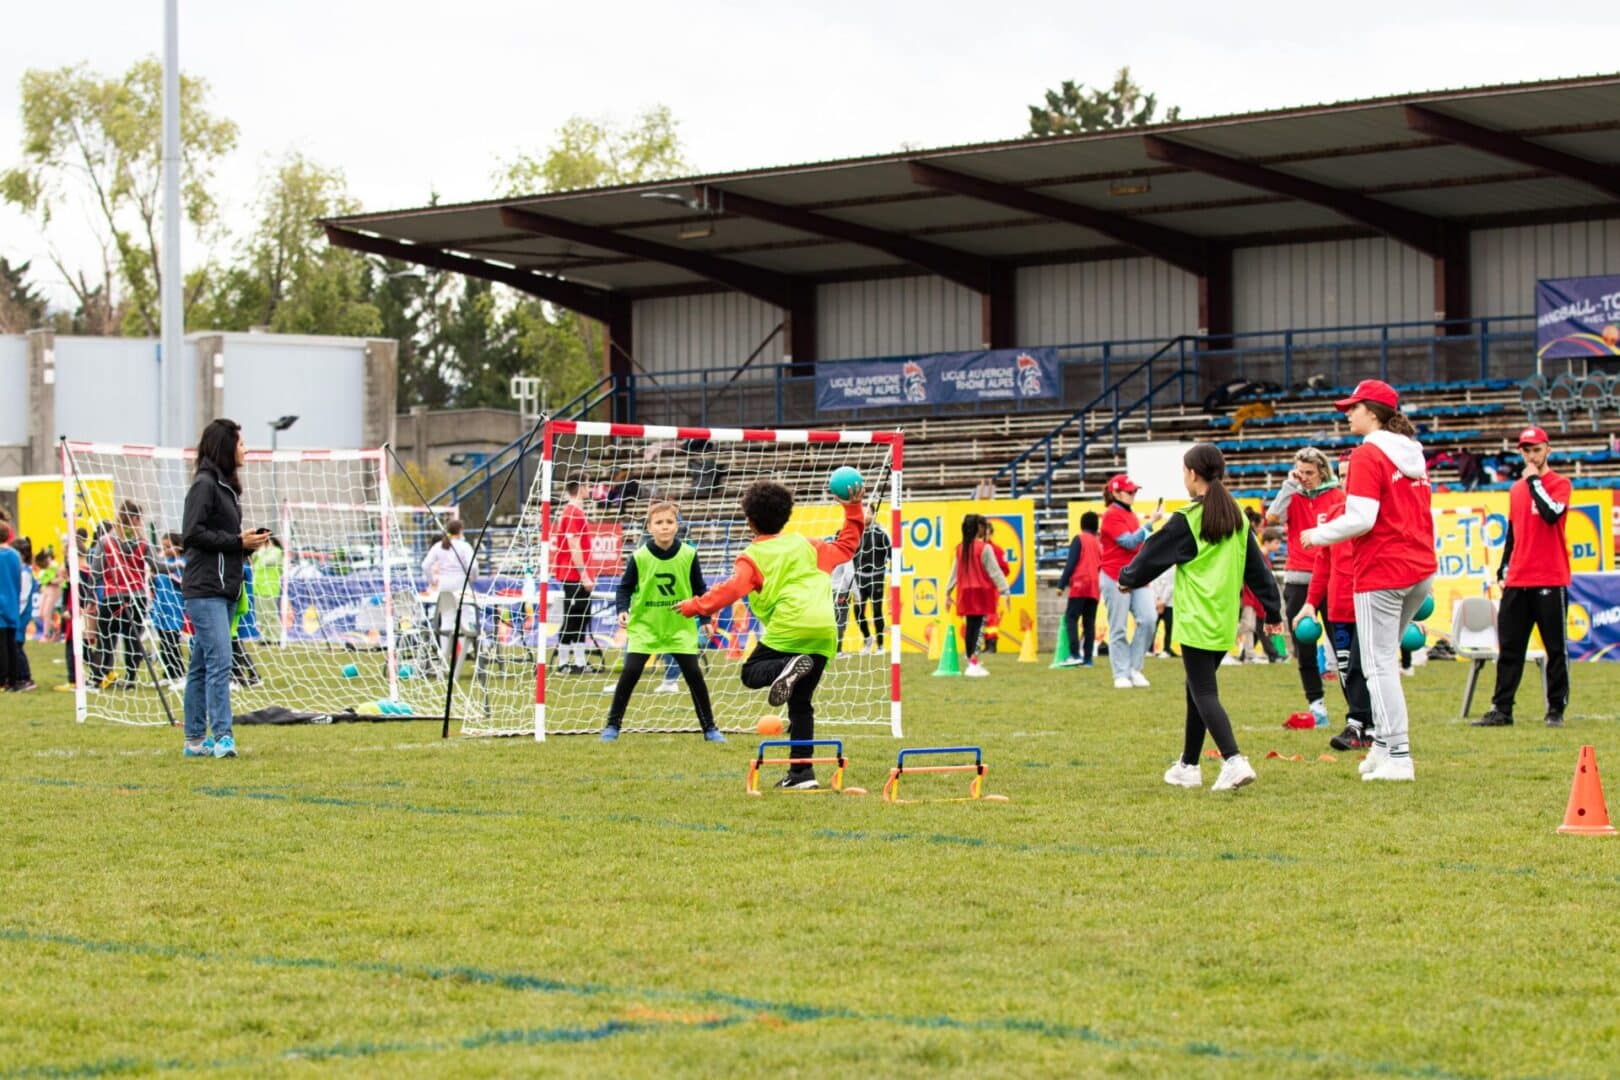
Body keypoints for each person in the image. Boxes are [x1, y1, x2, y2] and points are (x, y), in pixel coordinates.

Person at [677, 479, 863, 789]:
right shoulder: (810, 545)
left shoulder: (752, 556)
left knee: (750, 672)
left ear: (749, 521)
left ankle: (785, 667)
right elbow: (846, 547)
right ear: (787, 516)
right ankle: (802, 774)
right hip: (823, 629)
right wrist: (853, 508)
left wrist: (695, 606)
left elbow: (732, 589)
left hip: (790, 628)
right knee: (801, 703)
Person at [1118, 444, 1284, 792]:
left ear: (1193, 474)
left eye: (1184, 471)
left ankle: (1234, 760)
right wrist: (1272, 610)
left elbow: (1153, 553)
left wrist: (1128, 577)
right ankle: (1188, 766)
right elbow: (1258, 569)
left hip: (1196, 617)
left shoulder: (1188, 518)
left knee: (1204, 690)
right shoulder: (1238, 518)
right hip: (1223, 619)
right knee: (1195, 687)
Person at [1300, 380, 1436, 782]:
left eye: (1354, 407)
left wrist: (1318, 534)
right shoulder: (1411, 453)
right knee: (1383, 660)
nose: (1347, 413)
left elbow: (1361, 518)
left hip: (1382, 570)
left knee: (1377, 667)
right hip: (1419, 568)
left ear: (1373, 413)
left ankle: (1399, 756)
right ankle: (1381, 748)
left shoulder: (1367, 454)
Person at [182, 418, 271, 759]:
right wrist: (236, 541)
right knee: (221, 661)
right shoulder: (204, 485)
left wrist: (246, 545)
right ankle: (222, 736)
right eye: (241, 443)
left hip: (226, 587)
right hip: (205, 590)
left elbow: (222, 542)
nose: (246, 449)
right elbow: (192, 534)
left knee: (201, 666)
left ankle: (194, 741)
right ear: (225, 446)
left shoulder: (227, 487)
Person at [1475, 425, 1571, 728]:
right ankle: (1502, 709)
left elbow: (1551, 514)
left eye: (1536, 450)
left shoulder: (1560, 484)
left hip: (1550, 577)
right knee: (1510, 648)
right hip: (1518, 578)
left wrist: (1534, 482)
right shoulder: (1516, 489)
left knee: (1555, 648)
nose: (1531, 456)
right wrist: (1504, 568)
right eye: (1526, 450)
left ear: (1547, 450)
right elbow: (1513, 532)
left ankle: (1555, 709)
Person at [602, 501, 721, 742]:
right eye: (659, 522)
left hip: (679, 627)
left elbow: (700, 589)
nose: (664, 527)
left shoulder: (689, 554)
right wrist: (622, 609)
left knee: (694, 676)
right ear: (650, 527)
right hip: (646, 627)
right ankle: (612, 726)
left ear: (677, 526)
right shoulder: (639, 556)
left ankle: (710, 728)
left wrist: (705, 618)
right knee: (630, 673)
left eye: (669, 522)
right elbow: (624, 588)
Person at [1266, 447, 1345, 725]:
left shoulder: (1337, 496)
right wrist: (1289, 485)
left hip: (1332, 580)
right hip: (1298, 581)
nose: (1305, 478)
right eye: (1300, 472)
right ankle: (1317, 706)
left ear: (1322, 471)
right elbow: (1272, 519)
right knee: (1304, 649)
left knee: (1343, 647)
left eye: (1310, 472)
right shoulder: (1293, 495)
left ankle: (1357, 709)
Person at [1292, 501, 1374, 750]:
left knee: (1363, 667)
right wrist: (1310, 602)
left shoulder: (1374, 512)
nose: (1347, 483)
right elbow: (1323, 563)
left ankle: (1362, 725)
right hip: (1339, 608)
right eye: (1343, 479)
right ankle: (1363, 727)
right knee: (1346, 670)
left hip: (1369, 605)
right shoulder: (1336, 514)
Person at [1099, 474, 1164, 689]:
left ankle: (1134, 668)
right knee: (1118, 627)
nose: (1133, 494)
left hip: (1136, 575)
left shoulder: (1129, 514)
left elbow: (1137, 543)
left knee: (1149, 618)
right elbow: (1128, 542)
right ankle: (1121, 673)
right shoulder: (1111, 515)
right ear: (1116, 493)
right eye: (1130, 491)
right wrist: (1150, 523)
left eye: (1134, 491)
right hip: (1114, 576)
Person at [92, 501, 165, 690]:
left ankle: (103, 675)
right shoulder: (143, 543)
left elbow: (96, 571)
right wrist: (178, 566)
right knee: (132, 638)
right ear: (135, 519)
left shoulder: (105, 542)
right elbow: (158, 567)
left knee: (107, 637)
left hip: (112, 596)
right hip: (136, 597)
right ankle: (130, 678)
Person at [946, 513, 1010, 677]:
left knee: (970, 627)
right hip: (981, 591)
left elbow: (954, 573)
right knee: (979, 627)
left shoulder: (960, 548)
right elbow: (995, 571)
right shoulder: (984, 548)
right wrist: (1005, 590)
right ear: (977, 528)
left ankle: (970, 660)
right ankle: (973, 663)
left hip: (965, 592)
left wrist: (948, 592)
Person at [421, 518, 478, 678]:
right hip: (460, 584)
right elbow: (473, 566)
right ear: (460, 531)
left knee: (446, 621)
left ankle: (444, 657)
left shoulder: (438, 546)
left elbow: (425, 565)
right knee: (467, 618)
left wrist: (432, 580)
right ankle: (468, 653)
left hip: (444, 585)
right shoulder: (464, 546)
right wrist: (472, 578)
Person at [552, 481, 596, 674]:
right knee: (572, 617)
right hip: (572, 574)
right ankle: (562, 663)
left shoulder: (576, 512)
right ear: (580, 487)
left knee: (582, 618)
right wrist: (584, 575)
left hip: (576, 574)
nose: (590, 488)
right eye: (588, 484)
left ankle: (579, 661)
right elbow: (574, 546)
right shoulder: (572, 513)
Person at [1054, 510, 1102, 667]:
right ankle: (1088, 659)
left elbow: (1071, 563)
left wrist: (1061, 585)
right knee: (1089, 622)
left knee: (1071, 618)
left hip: (1080, 583)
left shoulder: (1079, 539)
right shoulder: (1099, 543)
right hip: (1095, 585)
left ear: (1082, 525)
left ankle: (1074, 654)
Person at [851, 509, 891, 654]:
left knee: (877, 611)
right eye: (863, 512)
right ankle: (868, 640)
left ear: (874, 514)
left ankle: (880, 645)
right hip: (860, 578)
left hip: (876, 577)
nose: (865, 515)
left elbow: (891, 554)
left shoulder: (881, 533)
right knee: (857, 611)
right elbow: (852, 555)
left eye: (868, 512)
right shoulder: (856, 533)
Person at [0, 525, 25, 690]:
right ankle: (14, 680)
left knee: (1, 645)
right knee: (12, 644)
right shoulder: (15, 556)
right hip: (12, 603)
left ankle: (2, 680)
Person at [251, 534, 284, 645]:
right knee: (261, 615)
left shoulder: (277, 552)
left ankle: (276, 637)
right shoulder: (260, 552)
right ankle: (265, 637)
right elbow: (253, 558)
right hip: (258, 587)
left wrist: (262, 550)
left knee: (271, 614)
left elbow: (267, 561)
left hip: (270, 587)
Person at [34, 550, 60, 643]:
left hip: (54, 590)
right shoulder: (44, 568)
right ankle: (57, 628)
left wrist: (52, 581)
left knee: (47, 612)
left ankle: (46, 635)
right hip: (45, 590)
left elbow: (61, 578)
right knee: (41, 613)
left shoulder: (55, 566)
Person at [1150, 566, 1176, 659]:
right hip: (1155, 603)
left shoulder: (1172, 569)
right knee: (1152, 626)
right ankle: (1149, 649)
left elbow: (1171, 586)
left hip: (1169, 604)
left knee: (1168, 627)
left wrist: (1163, 601)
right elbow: (1152, 585)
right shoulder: (1154, 567)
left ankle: (1166, 650)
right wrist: (1156, 600)